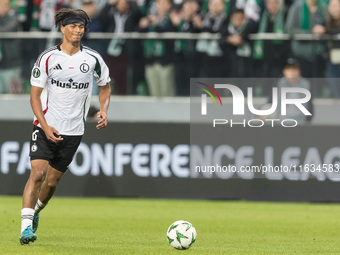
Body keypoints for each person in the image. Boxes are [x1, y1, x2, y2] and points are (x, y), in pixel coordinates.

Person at [19, 8, 111, 245]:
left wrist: (103, 110)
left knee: (51, 182)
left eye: (81, 27)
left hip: (74, 130)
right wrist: (45, 125)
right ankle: (25, 228)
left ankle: (36, 212)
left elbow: (105, 86)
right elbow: (35, 97)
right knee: (37, 173)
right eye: (73, 26)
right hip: (46, 127)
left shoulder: (93, 59)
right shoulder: (48, 58)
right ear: (62, 28)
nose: (78, 31)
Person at [0, 0, 22, 94]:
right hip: (1, 65)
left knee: (12, 95)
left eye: (4, 5)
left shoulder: (13, 18)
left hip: (11, 64)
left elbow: (5, 30)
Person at [325, 0, 340, 98]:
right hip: (332, 61)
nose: (333, 8)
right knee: (335, 91)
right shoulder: (326, 22)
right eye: (331, 5)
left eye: (335, 5)